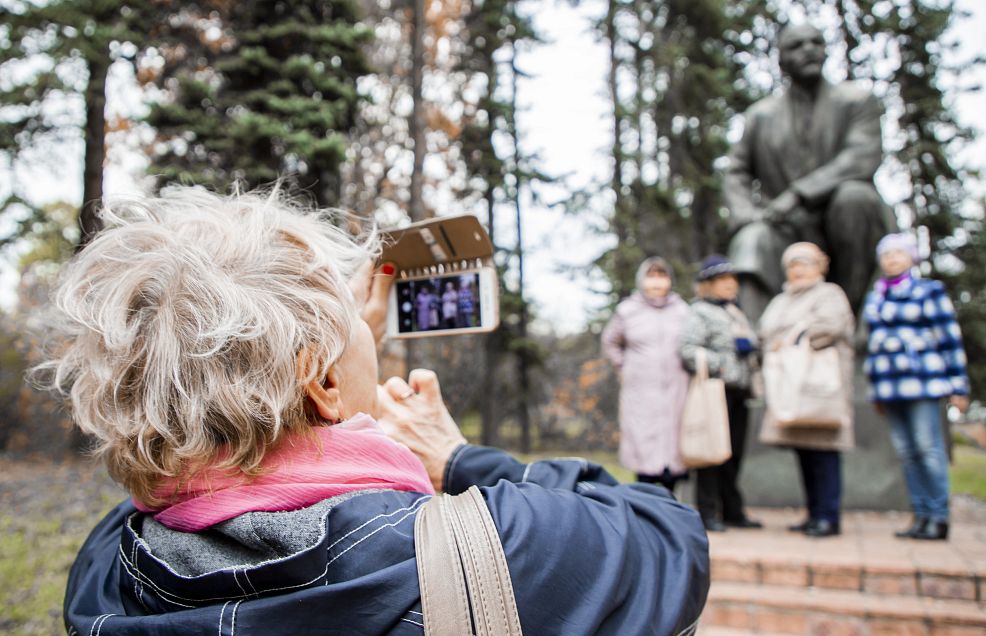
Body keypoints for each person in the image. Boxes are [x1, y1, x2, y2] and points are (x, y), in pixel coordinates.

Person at [47, 186, 710, 635]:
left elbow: (194, 460)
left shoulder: (108, 566)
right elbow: (669, 536)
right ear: (322, 380)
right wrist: (456, 458)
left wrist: (336, 362)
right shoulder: (490, 551)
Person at [724, 22, 896, 323]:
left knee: (855, 198)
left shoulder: (856, 101)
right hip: (783, 226)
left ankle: (855, 322)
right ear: (781, 60)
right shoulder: (761, 116)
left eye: (815, 42)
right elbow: (736, 171)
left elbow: (861, 157)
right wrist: (746, 212)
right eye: (796, 45)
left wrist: (798, 195)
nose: (808, 50)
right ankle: (756, 343)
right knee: (752, 239)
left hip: (842, 220)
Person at [864, 233, 970, 541]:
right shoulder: (877, 296)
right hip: (890, 387)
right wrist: (875, 389)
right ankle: (920, 515)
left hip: (924, 383)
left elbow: (949, 339)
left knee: (928, 448)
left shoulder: (929, 291)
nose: (892, 259)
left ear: (911, 257)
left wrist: (958, 385)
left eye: (898, 253)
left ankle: (939, 516)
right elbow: (875, 346)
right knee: (907, 453)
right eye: (886, 255)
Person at [758, 242, 855, 538]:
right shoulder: (780, 300)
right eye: (793, 265)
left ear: (819, 267)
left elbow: (829, 328)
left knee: (824, 452)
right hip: (790, 386)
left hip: (818, 385)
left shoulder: (830, 294)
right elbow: (765, 332)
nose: (798, 270)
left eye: (805, 263)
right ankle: (814, 512)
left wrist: (788, 338)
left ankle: (828, 514)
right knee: (805, 453)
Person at [679, 255, 762, 532]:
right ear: (708, 284)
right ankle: (707, 511)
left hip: (740, 391)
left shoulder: (736, 312)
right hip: (715, 390)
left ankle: (733, 509)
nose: (729, 285)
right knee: (711, 453)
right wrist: (722, 363)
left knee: (734, 453)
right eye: (722, 280)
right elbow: (688, 350)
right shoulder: (699, 312)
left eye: (731, 279)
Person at [601, 257, 691, 494]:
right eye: (651, 276)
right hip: (641, 388)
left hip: (676, 387)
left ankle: (673, 502)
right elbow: (610, 341)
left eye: (662, 276)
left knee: (675, 441)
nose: (657, 282)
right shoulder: (628, 310)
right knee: (643, 441)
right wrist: (624, 366)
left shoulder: (682, 310)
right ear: (642, 280)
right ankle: (645, 498)